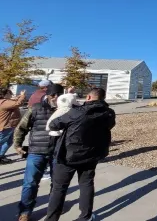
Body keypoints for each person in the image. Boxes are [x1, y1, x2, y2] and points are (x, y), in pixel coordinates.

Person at [45, 88, 116, 221]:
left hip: (68, 155)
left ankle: (52, 218)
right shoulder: (109, 113)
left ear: (88, 97)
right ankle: (85, 216)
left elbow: (54, 125)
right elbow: (109, 126)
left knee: (59, 188)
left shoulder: (76, 112)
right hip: (91, 154)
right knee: (86, 184)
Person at [14, 83, 64, 221]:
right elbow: (21, 127)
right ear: (49, 95)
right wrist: (17, 145)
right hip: (37, 151)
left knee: (57, 183)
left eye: (60, 96)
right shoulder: (36, 109)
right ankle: (25, 212)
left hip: (58, 153)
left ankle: (54, 208)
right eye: (54, 95)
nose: (56, 98)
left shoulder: (66, 111)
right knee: (30, 183)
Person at [0, 88, 26, 164]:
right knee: (1, 142)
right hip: (5, 127)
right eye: (9, 94)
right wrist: (22, 96)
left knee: (9, 141)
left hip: (10, 126)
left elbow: (14, 101)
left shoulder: (5, 102)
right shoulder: (4, 103)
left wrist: (18, 97)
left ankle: (1, 155)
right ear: (4, 95)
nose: (11, 95)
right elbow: (18, 103)